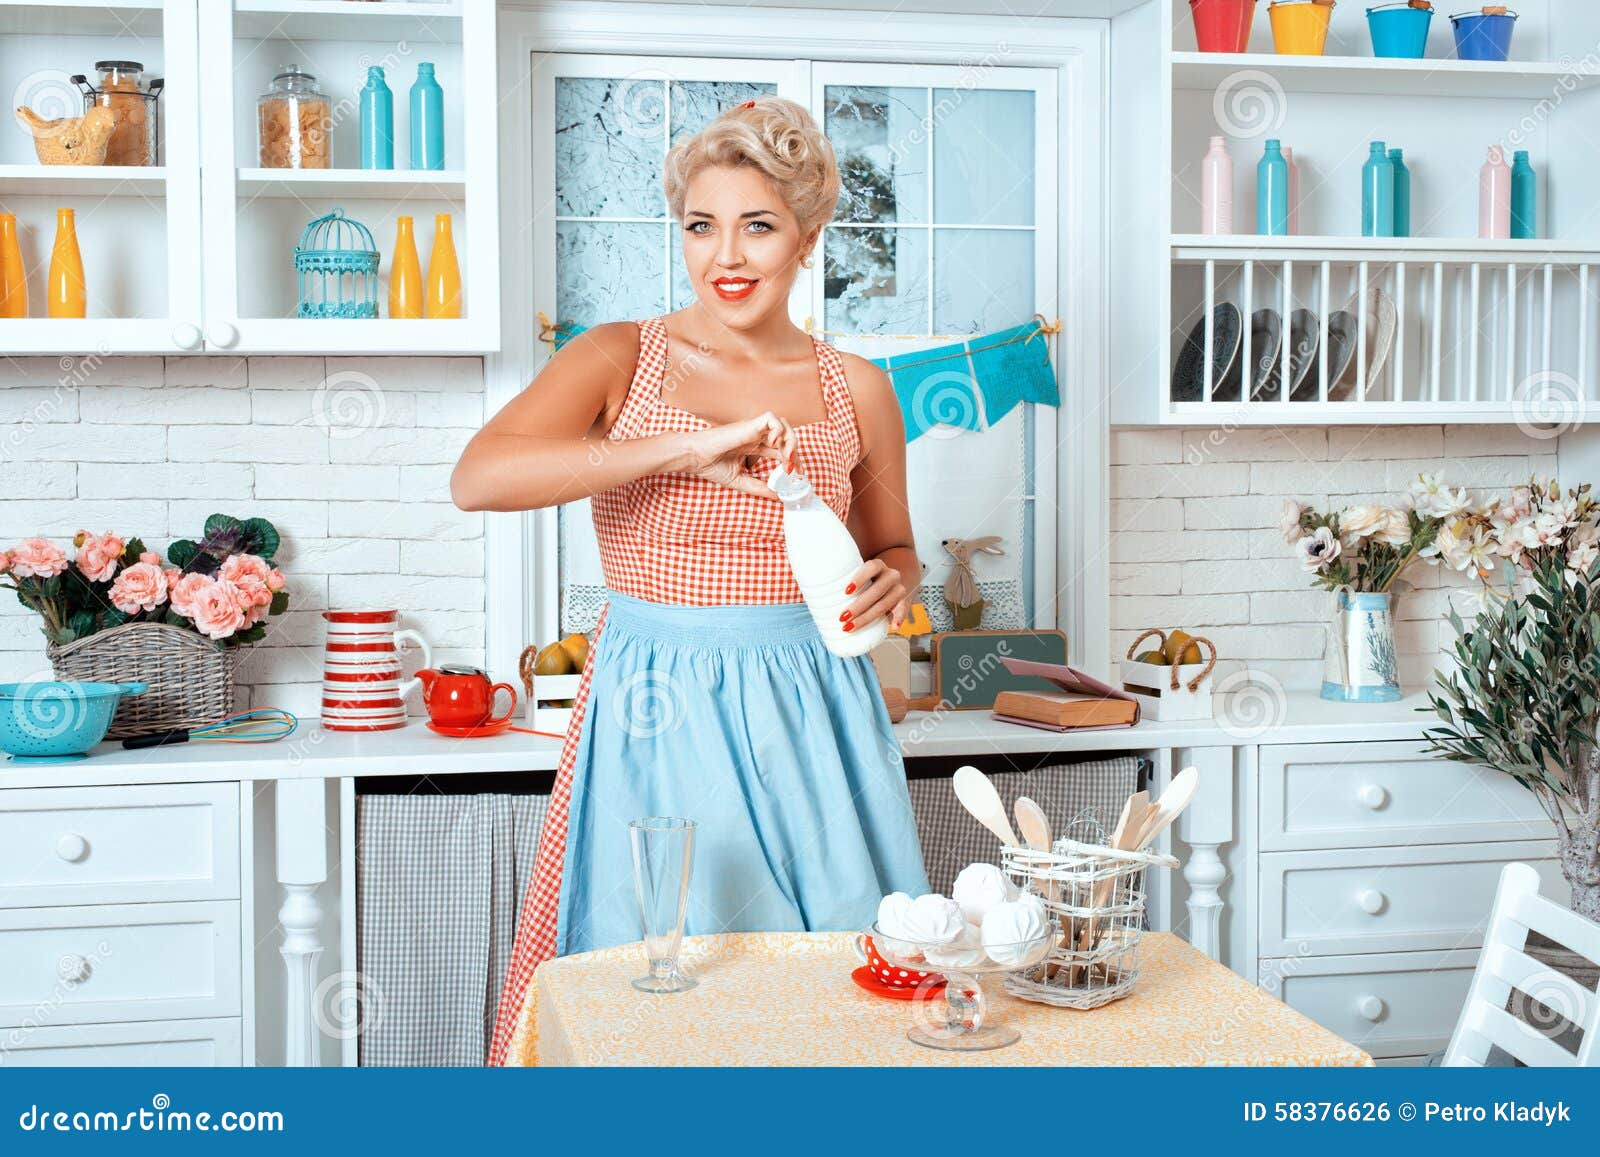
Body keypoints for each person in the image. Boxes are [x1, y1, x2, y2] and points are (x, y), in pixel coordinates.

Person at [452, 96, 930, 1066]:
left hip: (816, 713)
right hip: (657, 707)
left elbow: (895, 547)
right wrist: (686, 448)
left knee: (838, 1003)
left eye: (758, 226)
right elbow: (479, 477)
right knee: (660, 996)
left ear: (808, 235)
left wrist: (895, 580)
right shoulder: (618, 356)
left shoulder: (859, 387)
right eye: (701, 226)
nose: (727, 256)